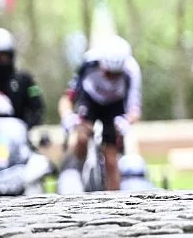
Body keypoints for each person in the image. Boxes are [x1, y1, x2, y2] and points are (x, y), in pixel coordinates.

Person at [58, 35, 142, 191]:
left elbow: (135, 109)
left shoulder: (132, 70)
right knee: (82, 138)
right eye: (108, 74)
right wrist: (67, 117)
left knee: (111, 158)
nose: (111, 79)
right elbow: (67, 98)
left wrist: (126, 121)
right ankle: (72, 173)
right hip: (90, 100)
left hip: (115, 106)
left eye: (116, 75)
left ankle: (114, 202)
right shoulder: (88, 63)